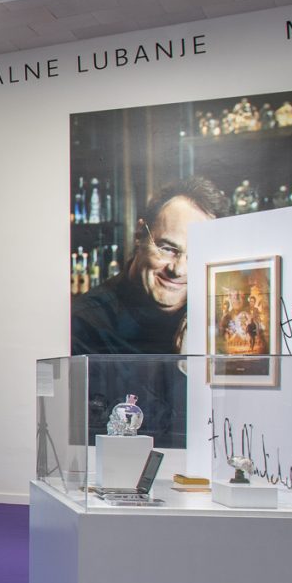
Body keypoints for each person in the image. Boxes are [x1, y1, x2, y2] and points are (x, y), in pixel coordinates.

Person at [71, 176, 228, 448]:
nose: (179, 269)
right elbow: (116, 440)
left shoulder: (217, 318)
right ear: (139, 235)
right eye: (168, 249)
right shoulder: (84, 324)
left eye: (197, 256)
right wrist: (185, 369)